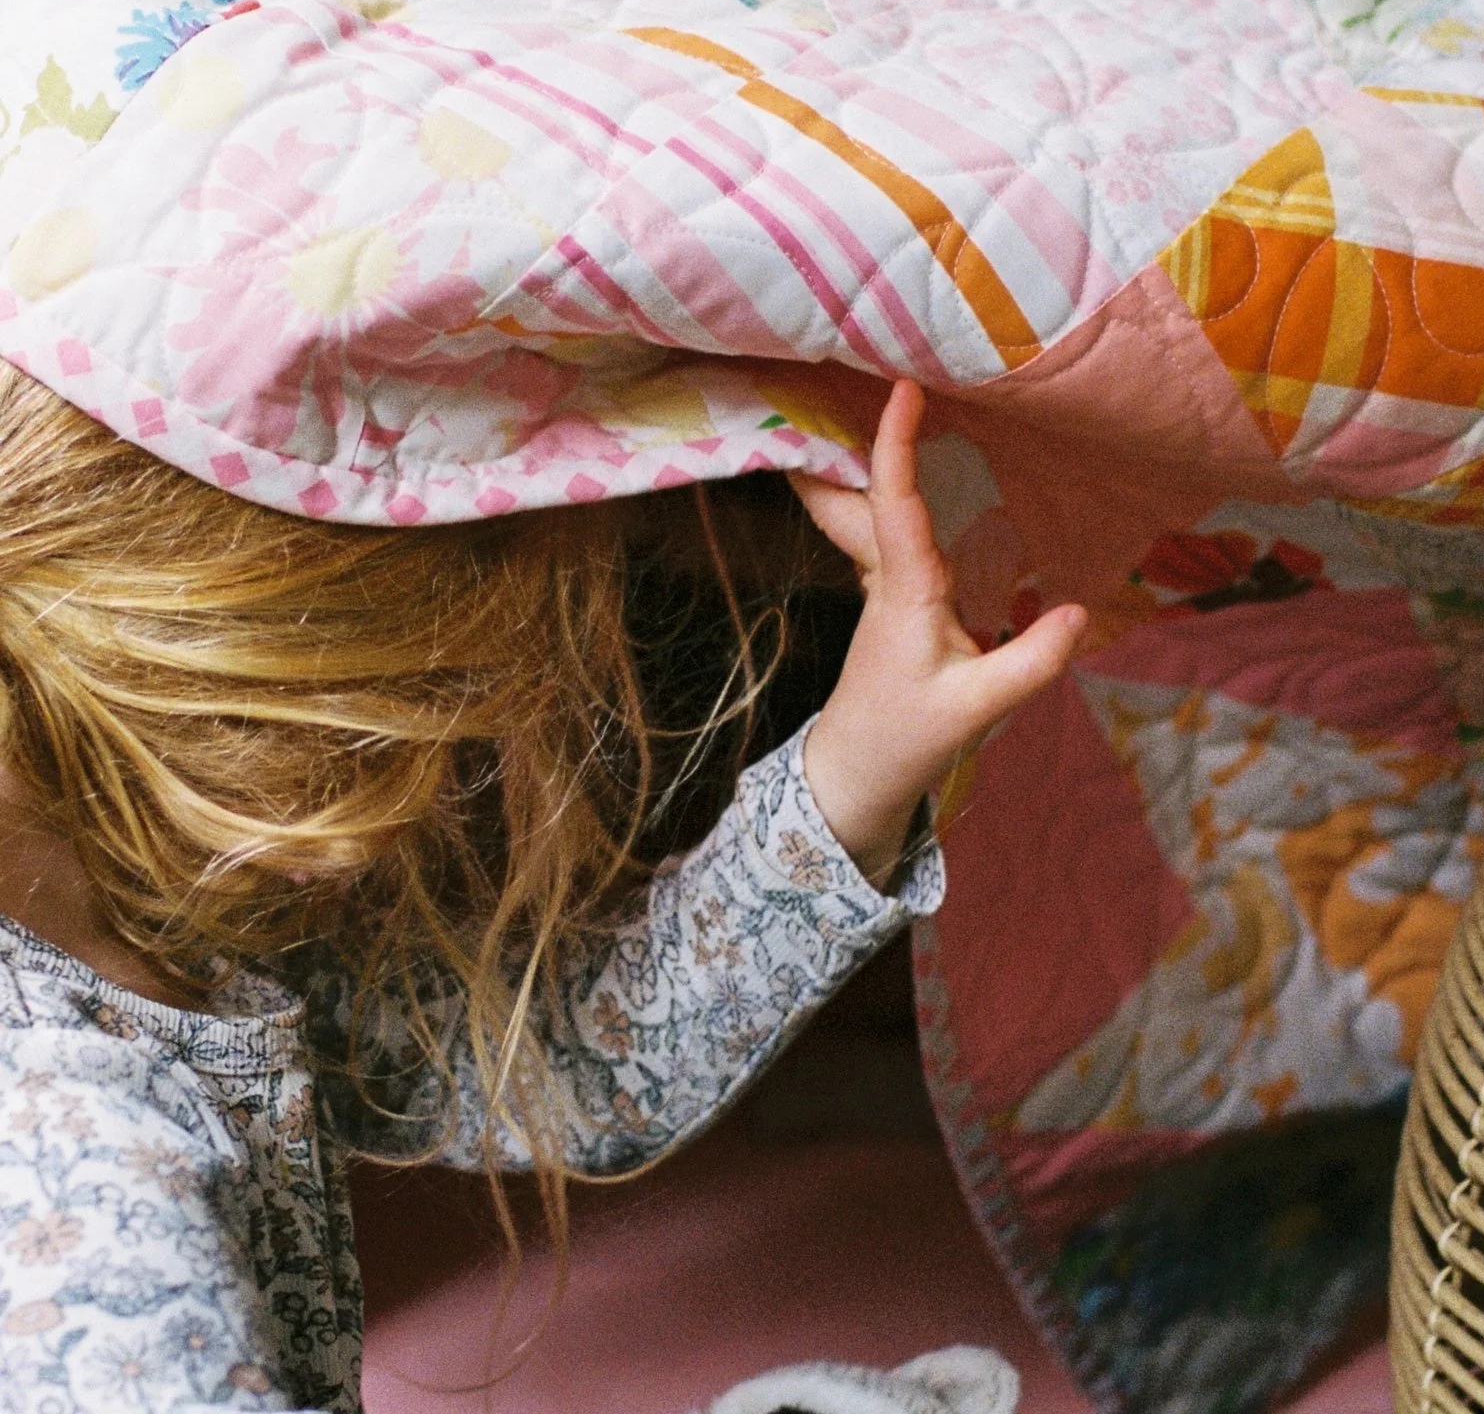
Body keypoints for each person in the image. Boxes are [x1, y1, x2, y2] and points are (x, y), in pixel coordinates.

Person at [0, 367, 1084, 1414]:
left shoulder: (155, 920)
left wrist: (862, 758)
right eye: (400, 718)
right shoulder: (68, 1156)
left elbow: (585, 1055)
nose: (428, 783)